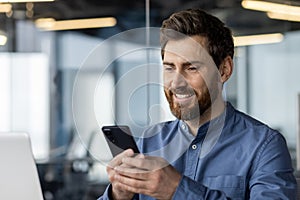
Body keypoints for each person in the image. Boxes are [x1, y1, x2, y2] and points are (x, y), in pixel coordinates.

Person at [98, 8, 297, 199]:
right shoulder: (147, 145)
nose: (176, 82)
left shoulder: (264, 147)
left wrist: (176, 190)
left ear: (224, 70)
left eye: (191, 68)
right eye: (169, 67)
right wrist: (118, 196)